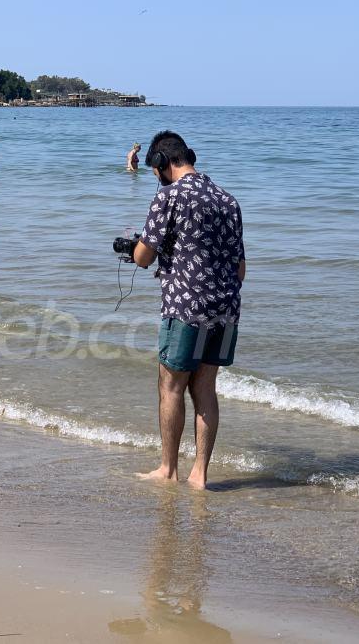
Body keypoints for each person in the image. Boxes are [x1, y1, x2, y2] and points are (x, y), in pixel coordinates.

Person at [132, 130, 245, 490]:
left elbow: (143, 256)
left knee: (171, 386)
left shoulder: (169, 196)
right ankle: (200, 475)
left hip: (186, 307)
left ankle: (168, 469)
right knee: (206, 389)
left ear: (162, 163)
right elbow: (240, 266)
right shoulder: (227, 199)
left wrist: (136, 248)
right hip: (226, 308)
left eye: (155, 170)